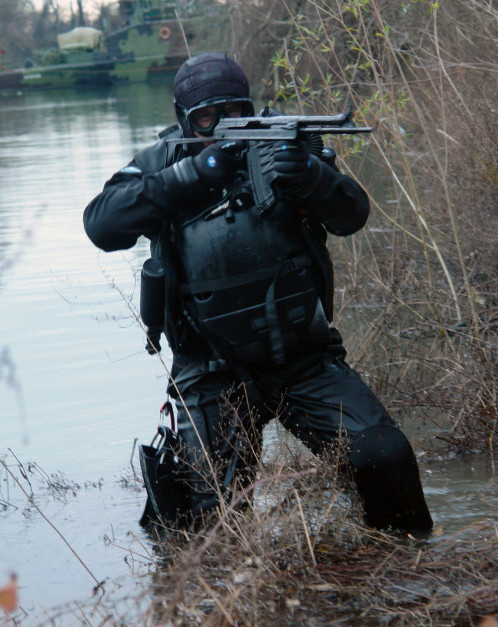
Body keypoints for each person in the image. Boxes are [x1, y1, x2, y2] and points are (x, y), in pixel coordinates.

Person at [83, 52, 432, 534]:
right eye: (207, 116)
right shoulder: (163, 160)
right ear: (186, 119)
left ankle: (406, 568)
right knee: (203, 524)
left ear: (249, 105)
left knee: (384, 455)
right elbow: (101, 224)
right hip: (209, 374)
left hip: (303, 360)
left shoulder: (284, 148)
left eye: (233, 111)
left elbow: (351, 216)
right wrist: (194, 173)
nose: (223, 125)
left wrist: (312, 177)